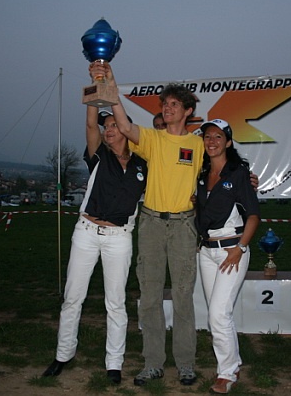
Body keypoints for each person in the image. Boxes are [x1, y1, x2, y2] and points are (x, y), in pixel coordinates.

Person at [91, 61, 203, 386]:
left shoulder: (198, 145)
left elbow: (220, 171)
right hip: (152, 223)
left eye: (173, 105)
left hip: (183, 227)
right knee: (150, 296)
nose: (167, 108)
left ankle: (185, 364)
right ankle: (153, 363)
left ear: (187, 111)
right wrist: (110, 82)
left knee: (183, 296)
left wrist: (247, 180)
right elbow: (125, 126)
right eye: (164, 104)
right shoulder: (153, 139)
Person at [42, 103, 147, 385]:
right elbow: (90, 125)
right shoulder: (99, 154)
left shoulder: (142, 164)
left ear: (126, 129)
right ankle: (63, 355)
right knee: (72, 297)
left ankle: (114, 363)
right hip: (86, 233)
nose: (108, 130)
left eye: (114, 125)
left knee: (116, 303)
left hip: (119, 238)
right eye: (106, 126)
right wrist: (94, 93)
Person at [195, 119, 260, 394]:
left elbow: (253, 216)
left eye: (218, 137)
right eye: (208, 136)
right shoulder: (201, 173)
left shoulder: (239, 173)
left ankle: (227, 373)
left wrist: (240, 248)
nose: (212, 141)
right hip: (206, 251)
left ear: (228, 142)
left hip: (231, 250)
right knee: (219, 314)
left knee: (218, 315)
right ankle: (232, 363)